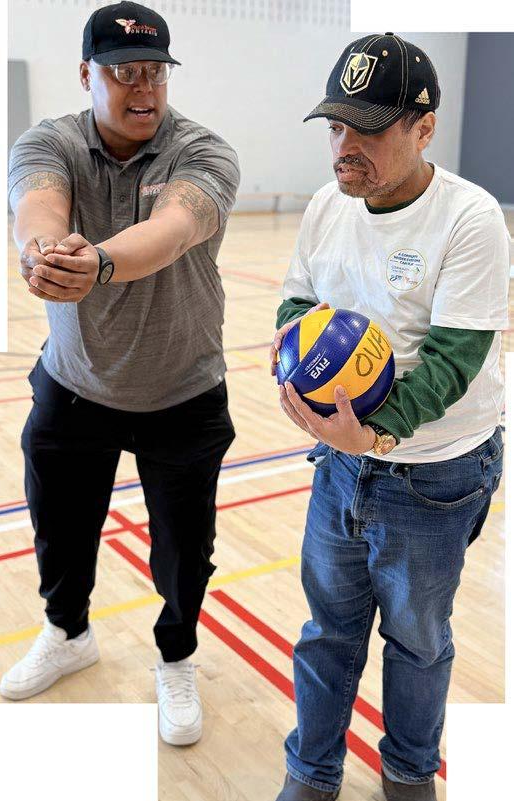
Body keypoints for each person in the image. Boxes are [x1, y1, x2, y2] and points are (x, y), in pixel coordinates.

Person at [270, 33, 509, 801]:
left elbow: (451, 359)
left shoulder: (469, 218)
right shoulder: (325, 206)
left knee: (416, 639)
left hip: (436, 472)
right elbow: (296, 301)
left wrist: (373, 430)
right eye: (336, 125)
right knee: (326, 630)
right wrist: (293, 355)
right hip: (339, 461)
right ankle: (312, 772)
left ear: (423, 127)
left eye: (368, 129)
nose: (345, 146)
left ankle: (408, 771)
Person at [1, 1, 240, 749]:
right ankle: (68, 632)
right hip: (75, 385)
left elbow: (172, 229)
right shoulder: (49, 141)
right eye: (124, 72)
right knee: (60, 529)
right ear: (86, 74)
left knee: (184, 551)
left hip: (183, 390)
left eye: (155, 73)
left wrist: (97, 262)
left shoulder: (203, 152)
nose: (144, 89)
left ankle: (176, 656)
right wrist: (42, 253)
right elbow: (37, 203)